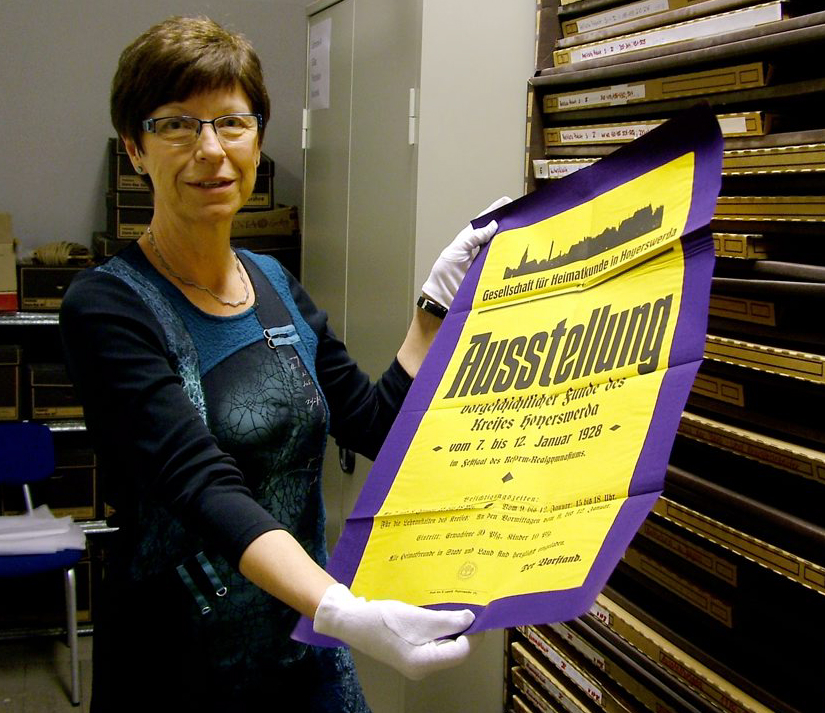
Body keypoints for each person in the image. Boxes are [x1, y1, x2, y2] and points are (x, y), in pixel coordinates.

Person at [60, 15, 510, 712]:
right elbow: (198, 481)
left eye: (232, 123)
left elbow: (370, 424)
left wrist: (432, 309)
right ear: (135, 149)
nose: (210, 149)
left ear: (259, 139)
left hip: (301, 658)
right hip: (179, 667)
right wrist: (340, 607)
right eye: (178, 125)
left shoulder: (272, 281)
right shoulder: (107, 306)